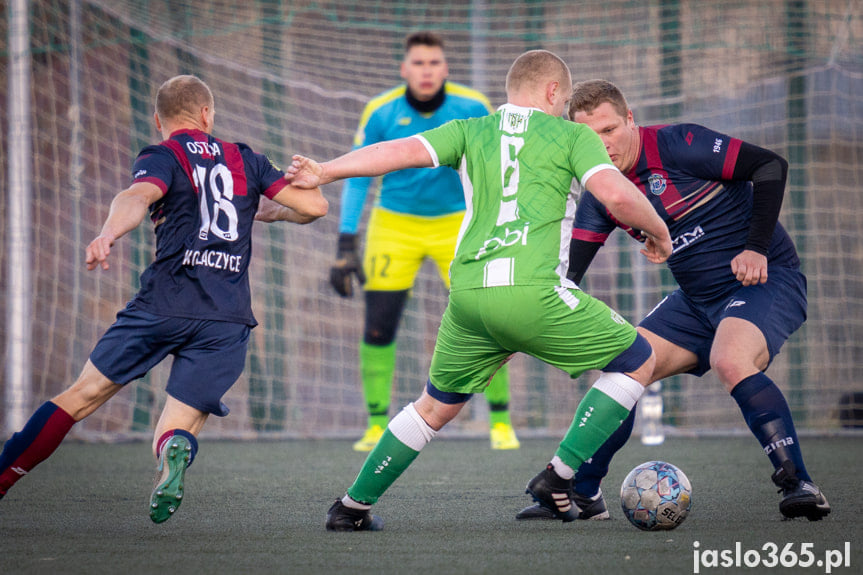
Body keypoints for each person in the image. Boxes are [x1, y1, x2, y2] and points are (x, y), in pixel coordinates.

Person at [287, 50, 673, 531]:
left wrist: (323, 170)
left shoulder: (472, 129)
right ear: (554, 92)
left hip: (467, 298)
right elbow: (615, 194)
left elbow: (393, 152)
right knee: (638, 359)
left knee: (432, 407)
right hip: (536, 293)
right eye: (563, 97)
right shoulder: (572, 134)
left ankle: (351, 507)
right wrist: (660, 231)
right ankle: (559, 476)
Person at [0, 75, 328, 523]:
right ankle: (174, 450)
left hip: (161, 305)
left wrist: (107, 233)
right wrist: (301, 188)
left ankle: (3, 478)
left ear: (159, 120)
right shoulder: (245, 158)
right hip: (225, 320)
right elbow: (313, 208)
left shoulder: (163, 154)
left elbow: (138, 195)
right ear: (208, 115)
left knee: (81, 396)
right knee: (177, 426)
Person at [516, 79, 830, 522]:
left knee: (730, 359)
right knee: (625, 368)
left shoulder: (679, 144)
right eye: (589, 137)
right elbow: (567, 273)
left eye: (609, 130)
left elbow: (771, 166)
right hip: (696, 302)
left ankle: (799, 483)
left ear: (630, 120)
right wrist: (520, 316)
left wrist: (756, 247)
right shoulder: (601, 193)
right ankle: (583, 494)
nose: (602, 145)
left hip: (765, 280)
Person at [332, 31, 520, 452]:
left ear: (445, 69)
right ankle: (377, 424)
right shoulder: (381, 111)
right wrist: (346, 240)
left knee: (489, 318)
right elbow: (359, 175)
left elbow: (502, 163)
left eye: (434, 63)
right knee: (379, 323)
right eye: (418, 63)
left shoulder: (473, 107)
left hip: (458, 223)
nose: (426, 71)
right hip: (393, 224)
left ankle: (501, 422)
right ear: (404, 69)